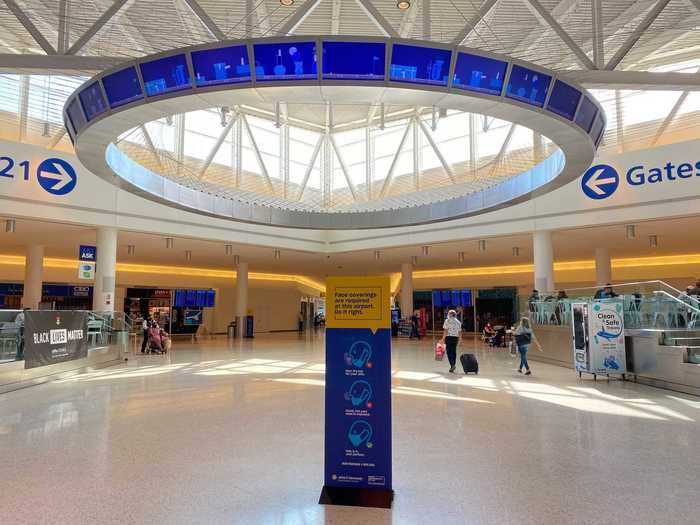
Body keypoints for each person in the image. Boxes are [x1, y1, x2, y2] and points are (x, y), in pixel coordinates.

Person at [441, 310, 462, 374]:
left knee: (448, 352)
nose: (448, 314)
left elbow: (445, 331)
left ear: (450, 314)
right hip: (455, 338)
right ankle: (453, 364)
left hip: (449, 338)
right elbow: (460, 332)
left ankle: (452, 365)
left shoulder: (447, 321)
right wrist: (460, 340)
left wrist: (443, 339)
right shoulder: (458, 322)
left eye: (448, 314)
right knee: (453, 351)